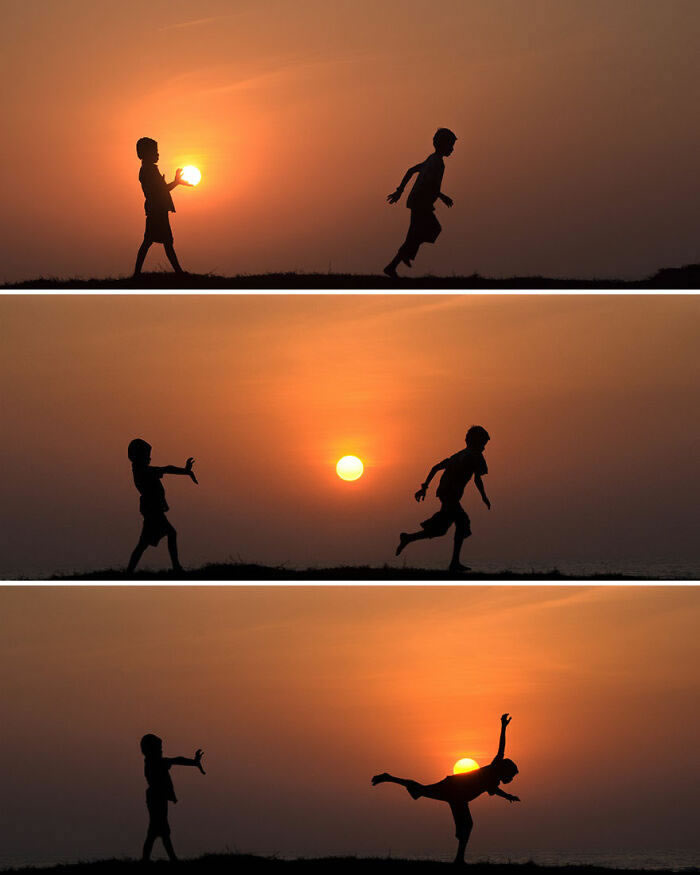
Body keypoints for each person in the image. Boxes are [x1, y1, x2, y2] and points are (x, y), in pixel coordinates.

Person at [372, 714, 519, 865]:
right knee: (424, 793)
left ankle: (459, 858)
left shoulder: (494, 776)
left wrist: (508, 796)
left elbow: (495, 786)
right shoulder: (494, 770)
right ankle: (459, 859)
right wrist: (503, 727)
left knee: (424, 793)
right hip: (454, 789)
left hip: (458, 795)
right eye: (512, 775)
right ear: (506, 771)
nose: (511, 779)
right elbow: (501, 749)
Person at [396, 425, 491, 572]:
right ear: (475, 442)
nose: (484, 447)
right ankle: (454, 563)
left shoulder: (461, 455)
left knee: (440, 530)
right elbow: (477, 479)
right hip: (449, 494)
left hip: (446, 494)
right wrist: (484, 497)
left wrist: (424, 487)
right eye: (483, 443)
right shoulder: (472, 456)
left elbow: (435, 468)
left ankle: (408, 538)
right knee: (462, 522)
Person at [384, 128, 457, 278]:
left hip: (419, 201)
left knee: (415, 234)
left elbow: (411, 171)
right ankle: (405, 254)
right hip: (420, 202)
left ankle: (394, 264)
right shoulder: (436, 162)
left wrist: (400, 190)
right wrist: (442, 197)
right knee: (433, 230)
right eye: (450, 145)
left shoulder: (432, 159)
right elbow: (429, 184)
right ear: (443, 145)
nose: (452, 149)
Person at [126, 438, 198, 574]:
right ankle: (176, 567)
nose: (149, 458)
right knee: (169, 534)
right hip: (152, 511)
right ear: (138, 456)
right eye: (146, 455)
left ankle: (129, 572)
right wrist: (186, 471)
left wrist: (185, 471)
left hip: (152, 510)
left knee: (143, 544)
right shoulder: (143, 472)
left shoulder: (143, 470)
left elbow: (166, 469)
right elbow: (167, 469)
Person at [140, 733, 206, 862]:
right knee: (159, 830)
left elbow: (176, 760)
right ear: (150, 750)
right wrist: (194, 762)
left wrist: (194, 762)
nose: (161, 750)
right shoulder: (155, 763)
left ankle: (154, 859)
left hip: (158, 797)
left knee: (158, 830)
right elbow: (177, 760)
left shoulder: (154, 762)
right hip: (156, 798)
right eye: (158, 748)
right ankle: (166, 859)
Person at [133, 137, 192, 277]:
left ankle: (138, 274)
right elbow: (161, 190)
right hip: (157, 209)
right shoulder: (149, 171)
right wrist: (176, 182)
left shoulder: (148, 169)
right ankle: (178, 273)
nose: (157, 154)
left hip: (156, 209)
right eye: (155, 151)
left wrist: (175, 182)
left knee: (157, 241)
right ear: (146, 153)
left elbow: (161, 189)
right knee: (160, 241)